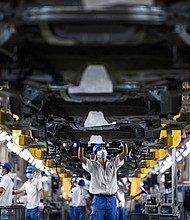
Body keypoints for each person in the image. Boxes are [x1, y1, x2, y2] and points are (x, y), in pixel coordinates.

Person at [78, 142, 128, 220]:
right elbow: (81, 157)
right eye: (100, 149)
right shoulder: (92, 166)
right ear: (96, 154)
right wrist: (81, 145)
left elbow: (125, 152)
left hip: (111, 199)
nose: (103, 150)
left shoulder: (113, 164)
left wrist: (125, 141)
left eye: (104, 149)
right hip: (99, 199)